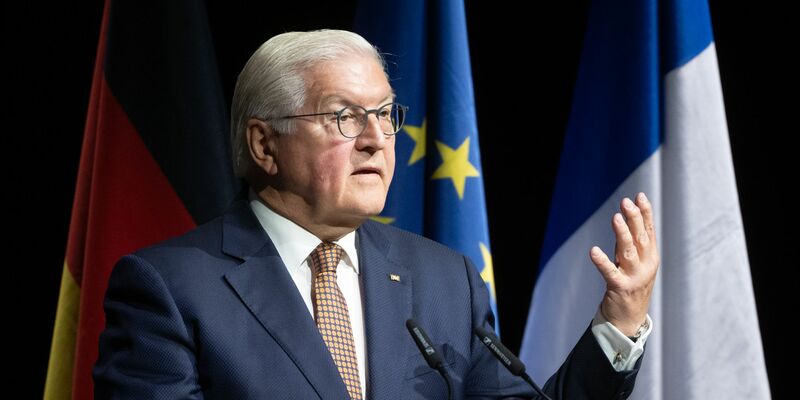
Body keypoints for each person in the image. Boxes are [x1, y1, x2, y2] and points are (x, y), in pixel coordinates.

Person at [93, 29, 659, 399]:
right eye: (344, 116)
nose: (377, 140)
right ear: (265, 146)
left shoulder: (444, 281)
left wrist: (620, 324)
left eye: (386, 115)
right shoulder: (168, 288)